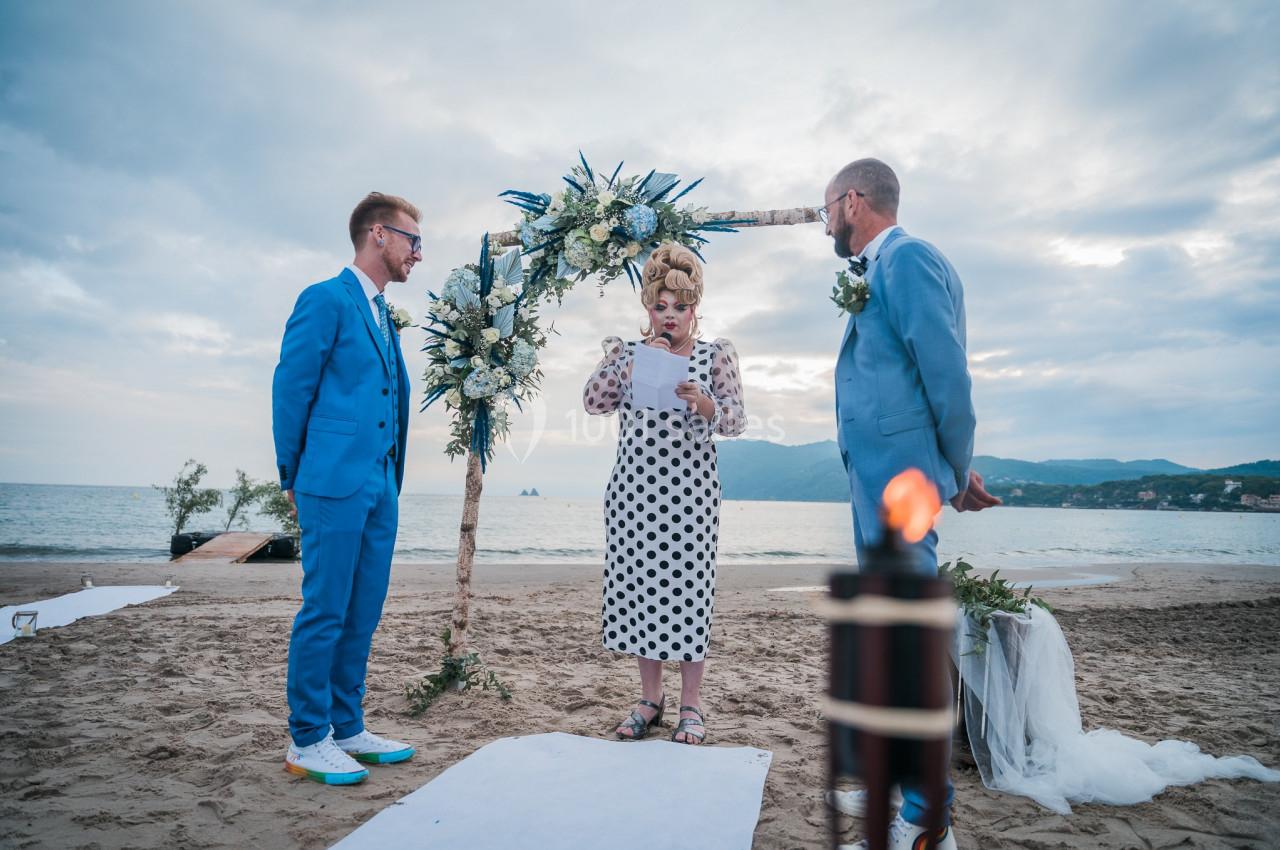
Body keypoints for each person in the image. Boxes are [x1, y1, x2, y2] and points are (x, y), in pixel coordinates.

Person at [821, 159, 1000, 849]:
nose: (824, 222)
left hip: (902, 483)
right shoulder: (881, 268)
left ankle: (927, 816)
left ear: (853, 201)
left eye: (826, 207)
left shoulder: (909, 258)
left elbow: (947, 373)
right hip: (882, 477)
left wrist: (953, 471)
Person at [272, 192, 422, 784]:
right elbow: (292, 388)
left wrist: (389, 477)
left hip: (380, 482)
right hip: (331, 479)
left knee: (362, 610)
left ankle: (346, 725)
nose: (418, 253)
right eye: (413, 240)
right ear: (378, 235)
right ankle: (307, 737)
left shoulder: (385, 315)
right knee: (326, 608)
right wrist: (292, 474)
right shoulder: (325, 299)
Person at [583, 243, 746, 746]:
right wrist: (623, 369)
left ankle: (690, 704)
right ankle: (649, 700)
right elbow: (593, 402)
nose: (670, 316)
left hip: (690, 498)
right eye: (661, 306)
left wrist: (706, 404)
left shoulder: (714, 354)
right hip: (634, 494)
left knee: (689, 595)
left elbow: (737, 420)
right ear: (647, 309)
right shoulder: (627, 353)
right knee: (640, 593)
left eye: (680, 306)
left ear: (695, 308)